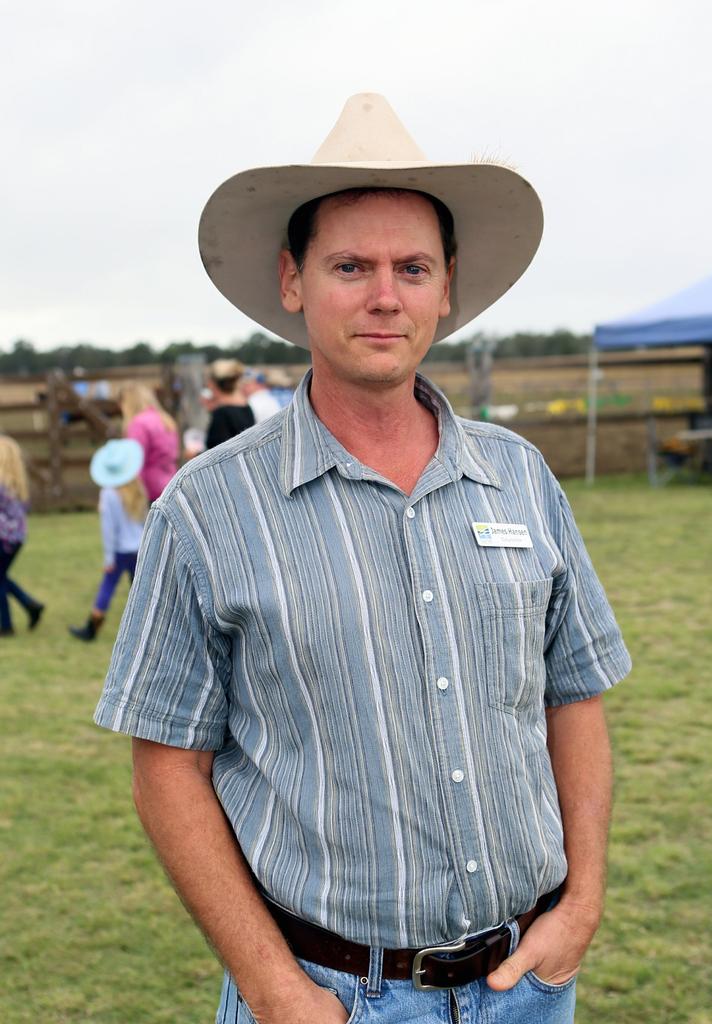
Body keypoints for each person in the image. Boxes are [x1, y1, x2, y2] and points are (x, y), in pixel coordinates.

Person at [94, 94, 631, 1024]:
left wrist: (581, 905)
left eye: (412, 267)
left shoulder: (521, 476)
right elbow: (165, 765)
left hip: (528, 986)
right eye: (351, 265)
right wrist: (272, 988)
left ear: (447, 286)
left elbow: (572, 694)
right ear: (293, 281)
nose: (386, 295)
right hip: (330, 997)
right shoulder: (208, 508)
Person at [69, 439, 147, 641]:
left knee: (108, 587)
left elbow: (109, 529)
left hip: (121, 551)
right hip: (139, 547)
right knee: (140, 589)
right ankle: (145, 628)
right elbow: (145, 519)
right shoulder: (137, 487)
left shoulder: (108, 494)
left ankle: (92, 628)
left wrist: (108, 559)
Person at [0, 435, 44, 636]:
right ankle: (30, 605)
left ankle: (6, 626)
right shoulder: (17, 484)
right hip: (16, 538)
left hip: (4, 538)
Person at [120, 383, 180, 502]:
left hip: (149, 489)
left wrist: (132, 494)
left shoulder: (138, 424)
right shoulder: (165, 419)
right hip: (170, 484)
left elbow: (135, 461)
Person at [204, 359, 255, 448]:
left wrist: (195, 454)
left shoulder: (221, 413)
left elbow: (218, 452)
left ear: (213, 384)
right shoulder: (246, 407)